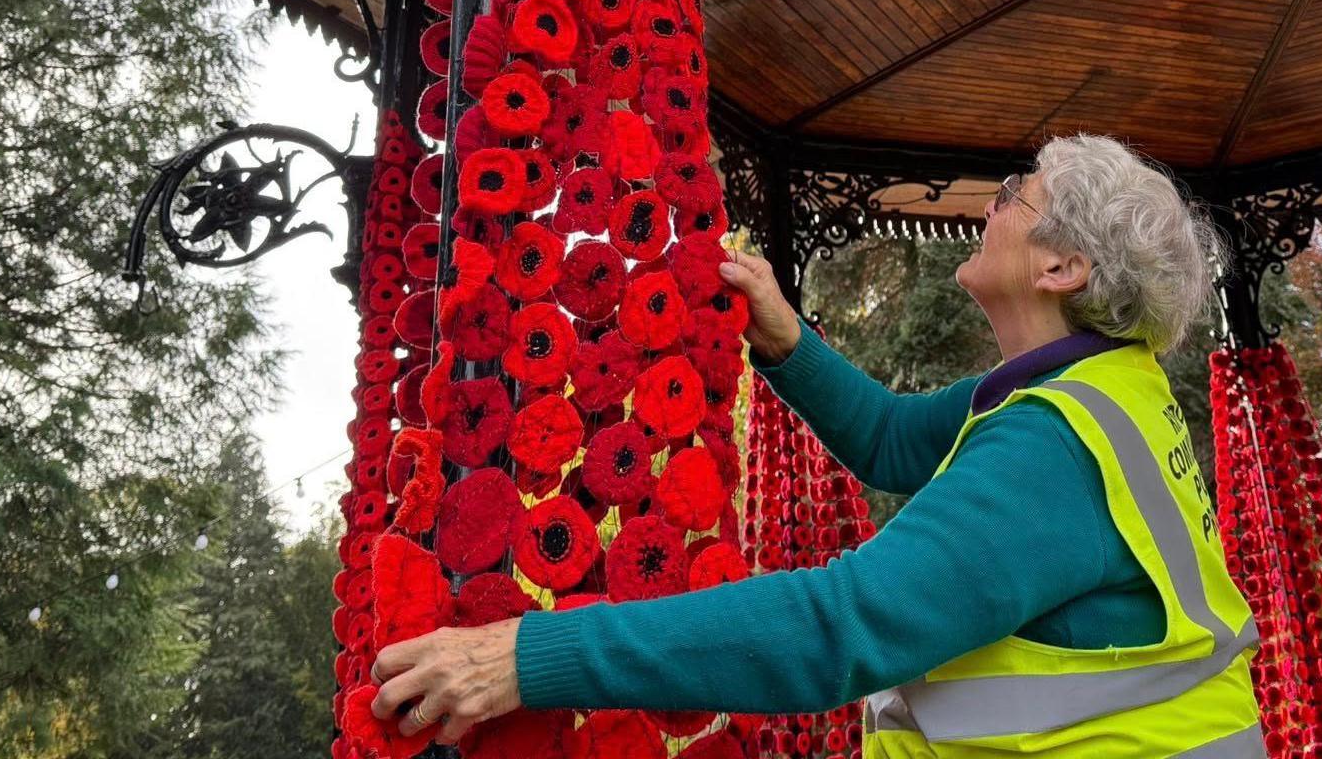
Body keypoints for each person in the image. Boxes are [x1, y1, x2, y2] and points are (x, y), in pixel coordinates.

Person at [370, 134, 1264, 756]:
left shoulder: (1055, 446)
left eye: (1012, 196)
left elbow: (839, 626)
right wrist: (785, 339)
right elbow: (891, 439)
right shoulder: (1104, 390)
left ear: (1060, 268)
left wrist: (526, 656)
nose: (989, 208)